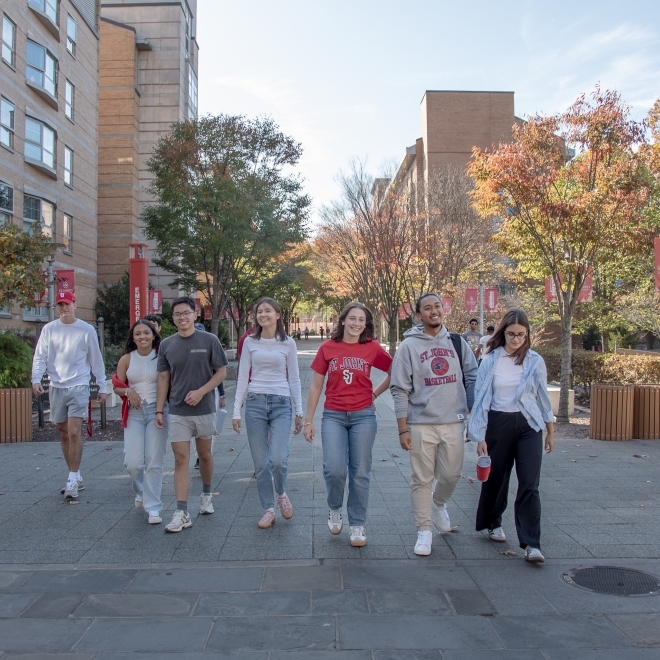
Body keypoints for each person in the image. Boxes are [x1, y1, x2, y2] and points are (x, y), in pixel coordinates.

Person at [390, 293, 477, 556]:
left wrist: (471, 410)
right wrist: (402, 428)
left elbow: (472, 375)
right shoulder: (408, 347)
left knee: (451, 475)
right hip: (420, 424)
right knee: (422, 480)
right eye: (427, 308)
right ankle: (424, 531)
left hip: (453, 421)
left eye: (437, 306)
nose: (433, 311)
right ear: (419, 315)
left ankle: (439, 504)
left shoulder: (458, 342)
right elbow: (399, 389)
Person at [468, 309, 555, 563]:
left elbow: (542, 396)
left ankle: (531, 543)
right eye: (511, 334)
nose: (516, 339)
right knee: (497, 478)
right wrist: (480, 435)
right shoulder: (491, 360)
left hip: (529, 426)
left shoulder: (535, 361)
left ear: (527, 335)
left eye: (521, 335)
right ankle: (493, 522)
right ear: (502, 333)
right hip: (498, 422)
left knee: (530, 483)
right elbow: (482, 399)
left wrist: (550, 431)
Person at [304, 302, 392, 547]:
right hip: (333, 415)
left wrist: (374, 395)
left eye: (361, 320)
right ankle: (334, 508)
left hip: (363, 415)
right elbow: (315, 386)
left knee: (360, 472)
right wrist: (308, 420)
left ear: (366, 324)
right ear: (342, 320)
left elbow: (396, 370)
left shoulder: (372, 347)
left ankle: (357, 524)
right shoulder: (327, 347)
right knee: (334, 469)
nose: (356, 324)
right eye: (352, 318)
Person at [155, 297, 227, 532]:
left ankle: (206, 495)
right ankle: (181, 511)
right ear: (172, 317)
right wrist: (159, 409)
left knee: (204, 455)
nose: (182, 318)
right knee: (180, 459)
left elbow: (221, 373)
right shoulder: (166, 345)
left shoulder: (210, 340)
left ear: (195, 314)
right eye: (177, 314)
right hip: (177, 410)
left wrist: (202, 392)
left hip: (204, 408)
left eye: (186, 313)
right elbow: (164, 378)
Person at [232, 298, 303, 528]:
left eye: (268, 311)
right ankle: (269, 508)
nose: (263, 315)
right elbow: (243, 376)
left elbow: (294, 378)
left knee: (279, 459)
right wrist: (236, 411)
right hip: (255, 403)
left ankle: (281, 494)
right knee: (261, 463)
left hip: (282, 404)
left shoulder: (288, 343)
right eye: (259, 312)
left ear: (278, 315)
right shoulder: (250, 342)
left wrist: (299, 411)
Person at [31, 291, 107, 500]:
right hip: (56, 386)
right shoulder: (50, 329)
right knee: (63, 432)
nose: (64, 308)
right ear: (57, 307)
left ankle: (72, 478)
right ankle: (76, 473)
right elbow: (40, 356)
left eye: (67, 304)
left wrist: (102, 386)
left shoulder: (86, 329)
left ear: (75, 304)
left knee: (74, 431)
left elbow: (96, 359)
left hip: (79, 386)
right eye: (60, 305)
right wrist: (36, 380)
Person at [113, 320, 167, 524]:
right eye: (138, 334)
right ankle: (140, 491)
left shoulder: (161, 356)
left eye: (146, 333)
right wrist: (128, 391)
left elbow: (167, 382)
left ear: (153, 335)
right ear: (133, 338)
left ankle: (153, 507)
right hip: (134, 413)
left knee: (154, 460)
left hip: (157, 410)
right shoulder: (126, 359)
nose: (142, 337)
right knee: (133, 462)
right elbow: (117, 385)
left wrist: (161, 410)